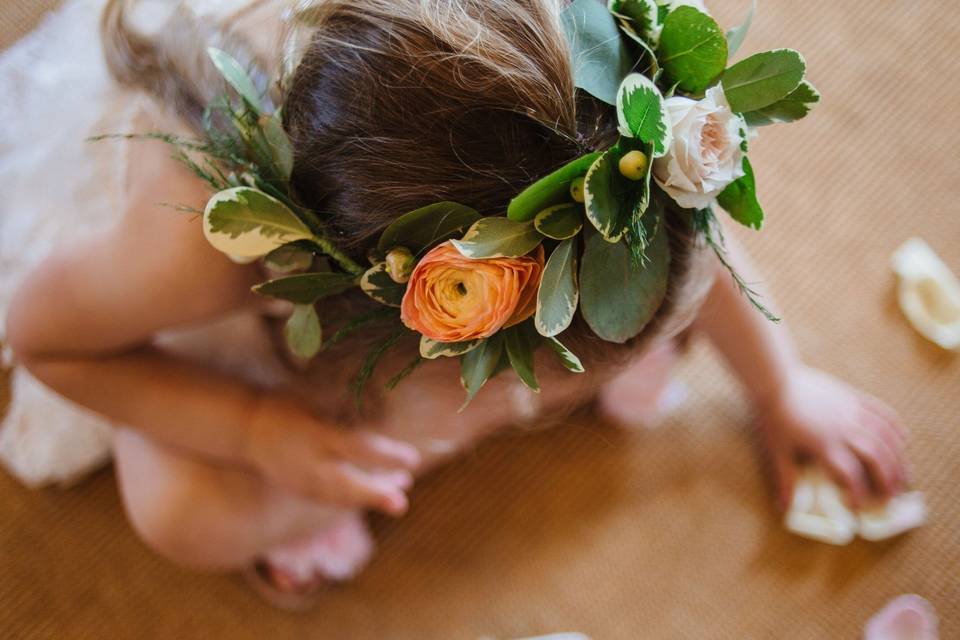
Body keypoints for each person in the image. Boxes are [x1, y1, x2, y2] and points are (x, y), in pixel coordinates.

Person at [2, 0, 907, 606]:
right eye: (544, 389)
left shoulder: (593, 118)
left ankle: (475, 403)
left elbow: (661, 222)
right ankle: (393, 437)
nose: (538, 411)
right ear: (413, 310)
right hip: (172, 257)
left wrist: (780, 384)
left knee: (600, 298)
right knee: (182, 513)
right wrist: (250, 429)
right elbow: (47, 345)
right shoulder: (195, 246)